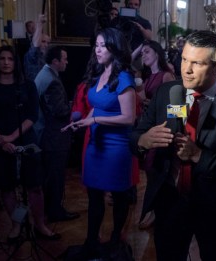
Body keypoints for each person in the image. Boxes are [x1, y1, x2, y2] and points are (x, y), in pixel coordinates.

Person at [130, 31, 216, 261]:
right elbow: (135, 135)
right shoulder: (167, 93)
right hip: (170, 200)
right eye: (184, 59)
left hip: (213, 206)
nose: (186, 69)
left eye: (197, 63)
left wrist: (199, 155)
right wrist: (143, 140)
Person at [62, 27, 136, 259]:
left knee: (119, 196)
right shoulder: (99, 73)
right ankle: (91, 241)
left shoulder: (124, 77)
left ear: (114, 47)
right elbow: (97, 103)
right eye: (96, 45)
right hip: (96, 144)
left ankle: (115, 241)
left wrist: (94, 119)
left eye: (103, 45)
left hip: (116, 148)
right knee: (94, 196)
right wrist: (83, 121)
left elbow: (128, 117)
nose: (98, 49)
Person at [0, 46, 60, 242]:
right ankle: (16, 224)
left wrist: (12, 136)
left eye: (10, 58)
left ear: (15, 62)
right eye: (2, 58)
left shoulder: (27, 86)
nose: (6, 62)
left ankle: (40, 225)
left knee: (34, 186)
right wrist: (1, 140)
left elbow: (32, 115)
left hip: (26, 140)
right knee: (8, 187)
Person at [33, 46, 80, 223]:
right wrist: (74, 107)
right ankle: (55, 211)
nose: (67, 62)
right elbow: (59, 111)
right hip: (54, 136)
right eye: (65, 59)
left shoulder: (45, 74)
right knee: (55, 176)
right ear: (55, 61)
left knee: (51, 176)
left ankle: (50, 208)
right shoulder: (52, 80)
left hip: (46, 134)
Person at [138, 40, 176, 110]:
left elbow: (177, 108)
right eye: (141, 54)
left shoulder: (166, 75)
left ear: (157, 53)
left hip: (162, 119)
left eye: (147, 52)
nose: (143, 56)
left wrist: (153, 105)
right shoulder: (147, 76)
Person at [23, 14, 50, 82]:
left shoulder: (45, 56)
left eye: (48, 43)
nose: (46, 45)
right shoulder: (30, 55)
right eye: (43, 42)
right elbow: (35, 46)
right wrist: (40, 23)